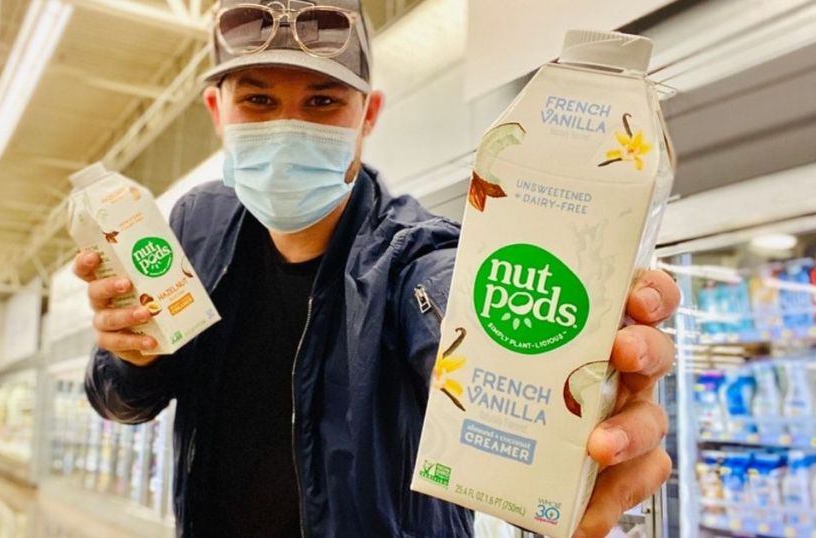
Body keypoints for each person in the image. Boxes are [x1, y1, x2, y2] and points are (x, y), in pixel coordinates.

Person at [77, 1, 680, 536]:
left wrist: (562, 401)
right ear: (217, 108)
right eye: (259, 99)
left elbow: (450, 304)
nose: (288, 127)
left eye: (322, 100)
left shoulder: (411, 255)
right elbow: (120, 403)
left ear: (368, 114)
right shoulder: (194, 226)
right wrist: (133, 358)